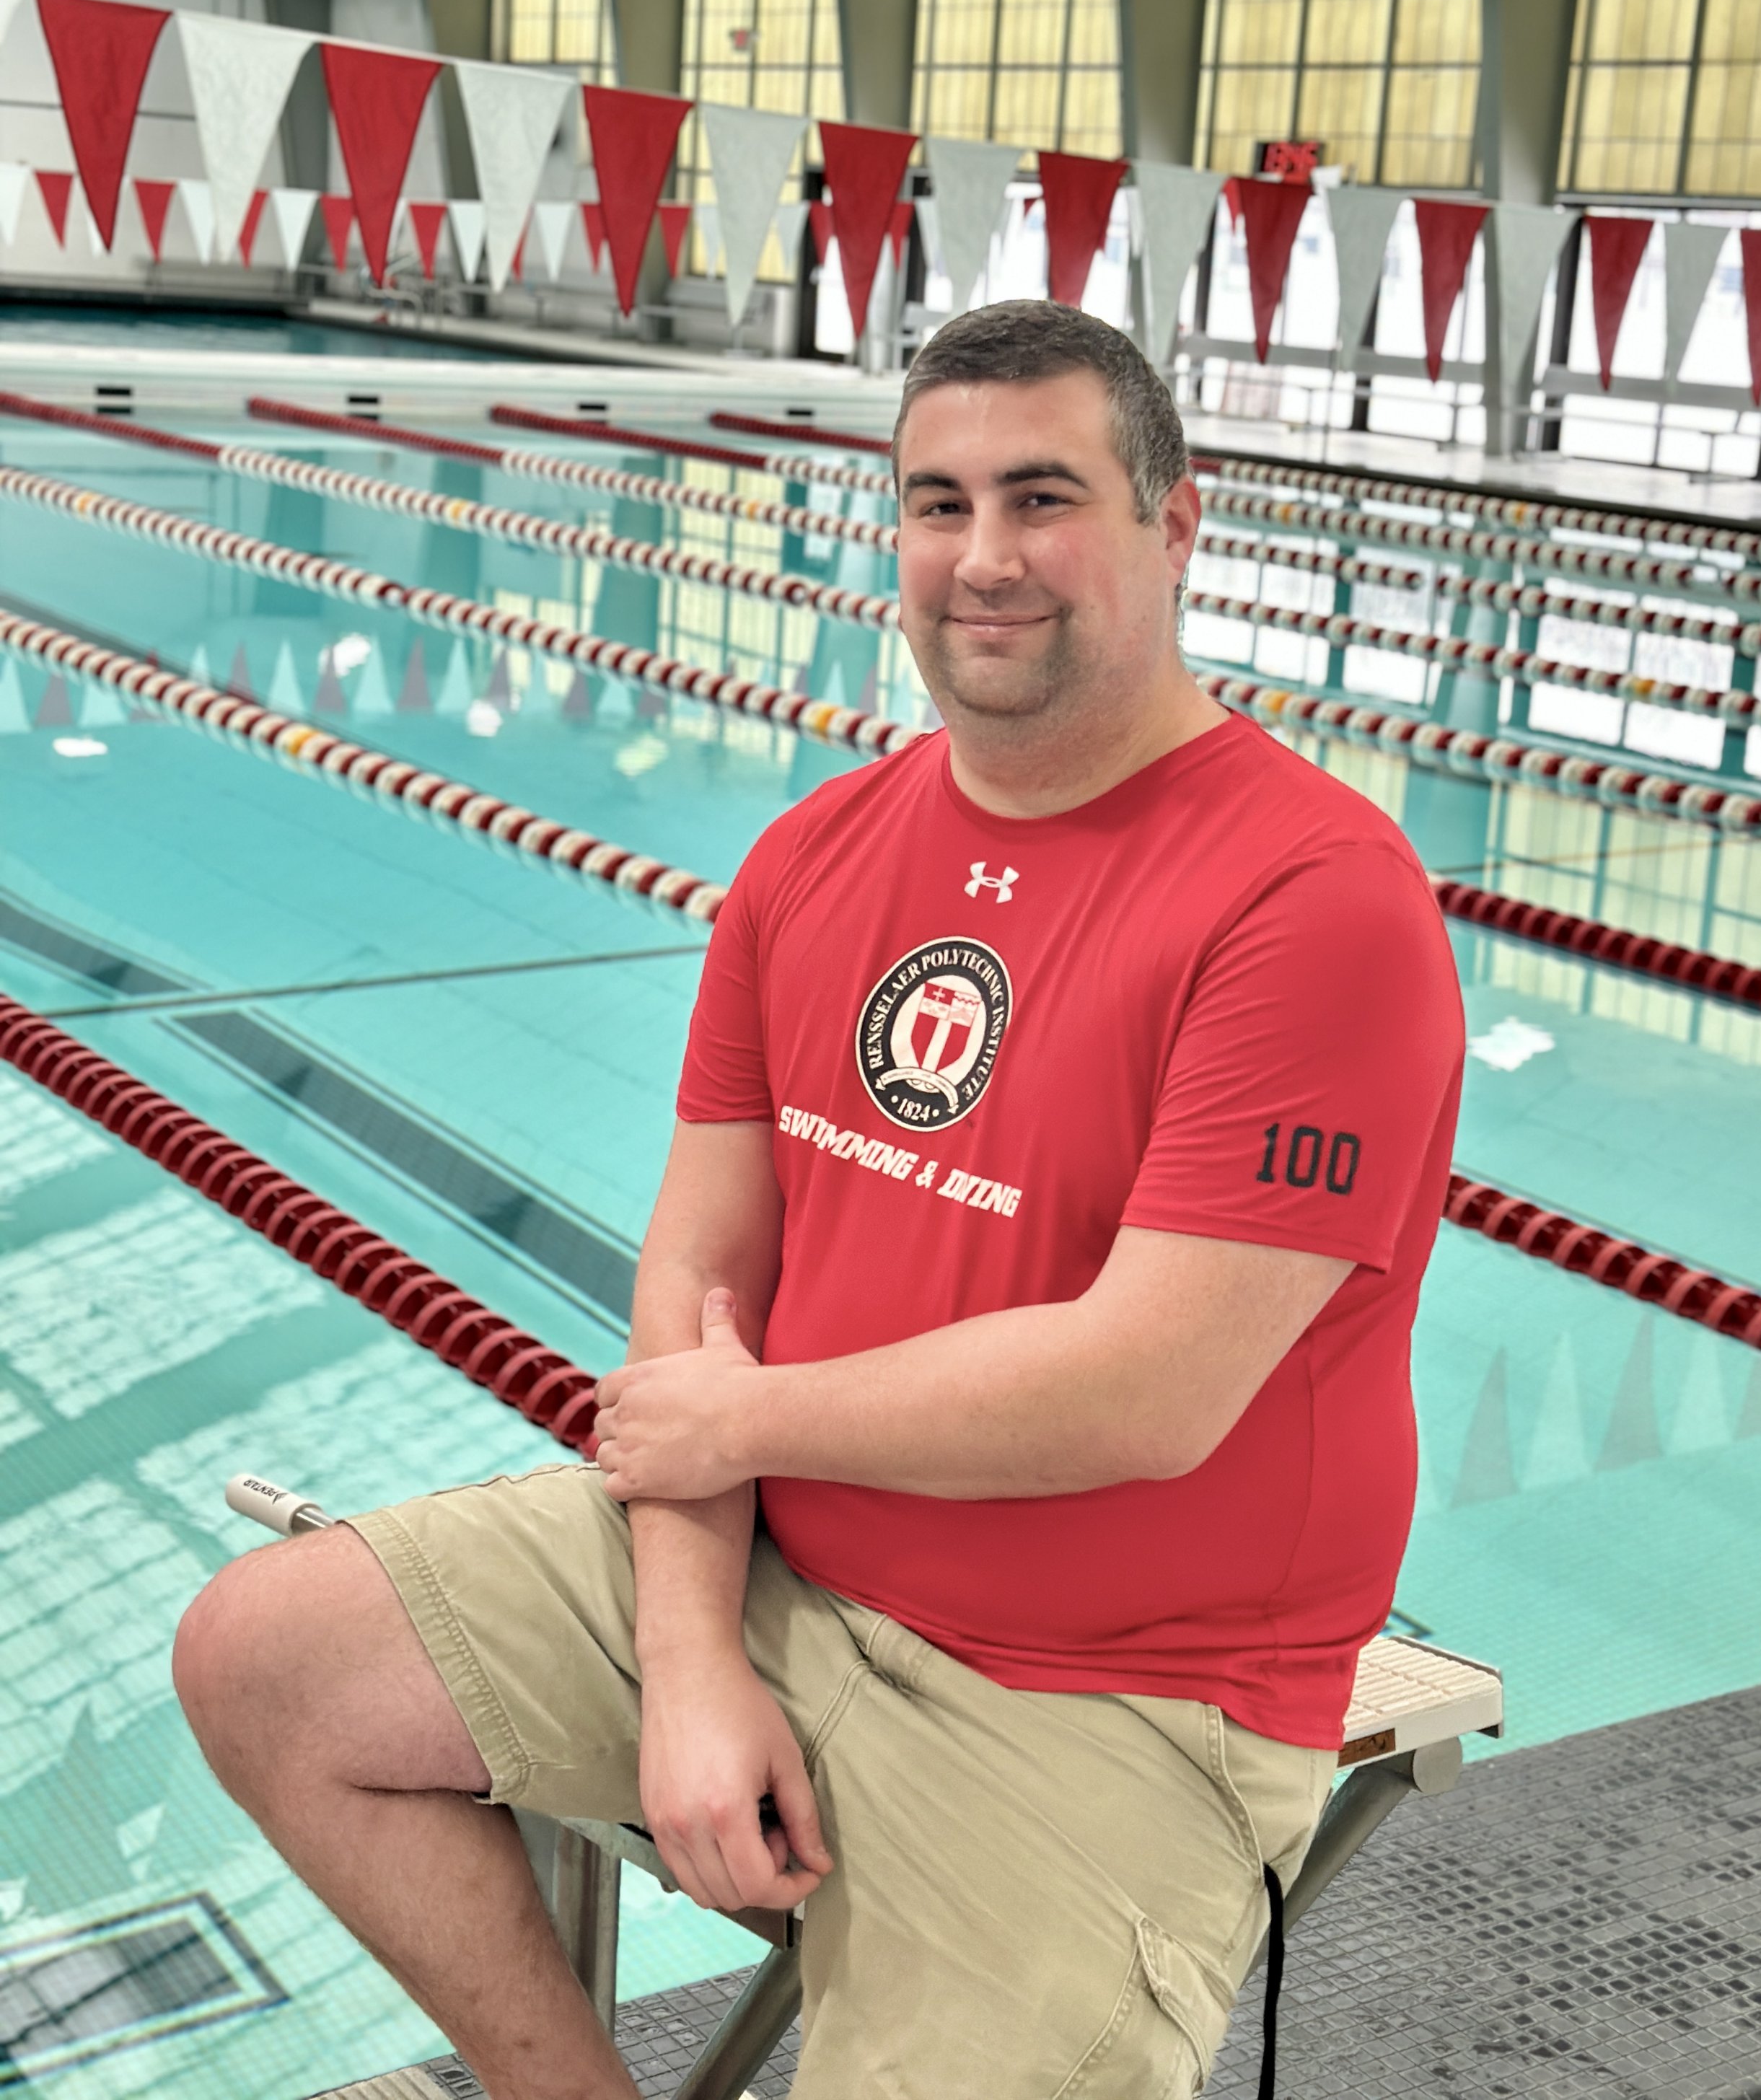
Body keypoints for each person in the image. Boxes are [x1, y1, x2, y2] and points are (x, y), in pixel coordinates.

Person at [173, 299, 1464, 2100]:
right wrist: (693, 1659)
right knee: (266, 1656)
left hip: (1099, 1704)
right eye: (935, 503)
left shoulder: (1311, 898)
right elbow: (703, 1272)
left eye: (1040, 496)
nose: (982, 558)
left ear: (1175, 523)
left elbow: (1143, 1389)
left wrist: (744, 1418)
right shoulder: (814, 855)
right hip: (781, 1569)